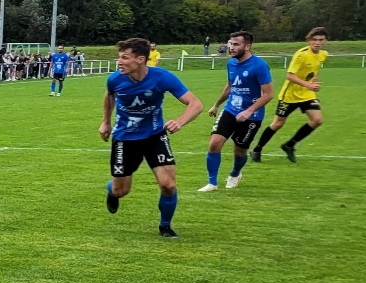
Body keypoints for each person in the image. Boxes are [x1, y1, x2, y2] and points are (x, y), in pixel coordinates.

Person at [100, 37, 203, 238]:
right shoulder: (115, 79)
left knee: (168, 185)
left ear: (140, 59)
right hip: (125, 139)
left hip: (154, 136)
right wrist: (105, 121)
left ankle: (165, 226)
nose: (119, 62)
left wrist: (180, 121)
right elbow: (109, 95)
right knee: (121, 191)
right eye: (119, 57)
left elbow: (195, 104)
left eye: (124, 58)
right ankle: (112, 190)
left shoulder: (162, 77)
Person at [199, 31, 273, 192]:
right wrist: (216, 105)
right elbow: (230, 86)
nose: (231, 47)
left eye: (236, 44)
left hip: (252, 116)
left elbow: (269, 94)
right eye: (230, 44)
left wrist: (249, 111)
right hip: (230, 110)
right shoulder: (231, 64)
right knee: (214, 144)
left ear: (247, 46)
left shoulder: (259, 65)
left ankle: (235, 174)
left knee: (239, 151)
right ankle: (212, 183)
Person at [253, 27, 329, 164]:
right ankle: (257, 149)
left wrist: (314, 82)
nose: (317, 43)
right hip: (289, 96)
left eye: (321, 40)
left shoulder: (323, 54)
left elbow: (314, 71)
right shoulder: (301, 55)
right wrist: (308, 85)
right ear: (308, 40)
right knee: (278, 123)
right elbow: (290, 76)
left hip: (307, 94)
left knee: (317, 120)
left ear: (325, 41)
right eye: (314, 40)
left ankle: (289, 145)